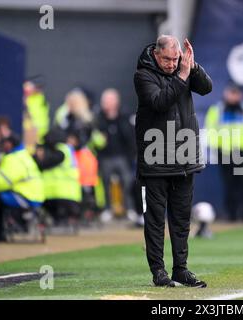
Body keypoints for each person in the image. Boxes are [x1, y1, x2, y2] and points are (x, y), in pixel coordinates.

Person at [134, 35, 212, 287]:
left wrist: (193, 66)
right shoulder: (143, 75)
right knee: (155, 221)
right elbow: (159, 102)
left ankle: (181, 269)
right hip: (155, 160)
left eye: (175, 59)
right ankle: (158, 271)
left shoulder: (184, 68)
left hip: (184, 158)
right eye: (166, 59)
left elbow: (206, 87)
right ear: (156, 55)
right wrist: (182, 75)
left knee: (180, 220)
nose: (171, 64)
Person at [205, 82, 243, 222]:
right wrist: (217, 147)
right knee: (229, 185)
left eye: (237, 93)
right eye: (232, 92)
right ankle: (232, 215)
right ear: (226, 93)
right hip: (225, 152)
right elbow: (210, 130)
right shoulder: (217, 110)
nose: (234, 96)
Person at [0, 135, 44, 241]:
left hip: (27, 197)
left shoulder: (14, 158)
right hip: (32, 195)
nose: (3, 145)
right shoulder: (22, 155)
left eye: (5, 142)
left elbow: (1, 182)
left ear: (10, 144)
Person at [96, 88, 137, 221]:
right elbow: (96, 137)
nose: (106, 103)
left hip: (122, 157)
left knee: (127, 182)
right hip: (105, 157)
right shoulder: (98, 118)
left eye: (109, 100)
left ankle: (129, 208)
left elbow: (130, 137)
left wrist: (132, 154)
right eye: (105, 101)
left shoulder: (124, 116)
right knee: (105, 182)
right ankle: (108, 209)